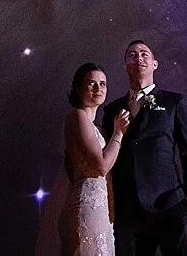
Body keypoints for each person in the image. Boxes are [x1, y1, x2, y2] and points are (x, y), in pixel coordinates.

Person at [96, 39, 187, 256]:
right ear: (125, 66)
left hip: (171, 205)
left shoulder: (174, 102)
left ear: (154, 64)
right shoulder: (112, 110)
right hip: (129, 214)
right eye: (132, 55)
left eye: (144, 54)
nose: (139, 58)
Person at [53, 62, 130, 256]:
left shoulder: (94, 126)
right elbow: (101, 166)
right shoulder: (78, 116)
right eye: (91, 83)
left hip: (100, 206)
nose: (98, 88)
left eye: (102, 84)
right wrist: (118, 133)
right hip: (88, 206)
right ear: (79, 88)